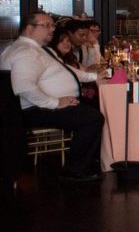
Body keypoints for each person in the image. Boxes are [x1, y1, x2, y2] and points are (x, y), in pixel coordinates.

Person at [0, 11, 104, 181]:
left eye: (52, 25)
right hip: (34, 109)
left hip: (43, 104)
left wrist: (95, 77)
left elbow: (68, 71)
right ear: (29, 28)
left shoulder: (41, 50)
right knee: (92, 118)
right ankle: (74, 170)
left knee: (96, 105)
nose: (52, 30)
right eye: (46, 25)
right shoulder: (25, 52)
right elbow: (24, 87)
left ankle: (92, 158)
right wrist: (55, 103)